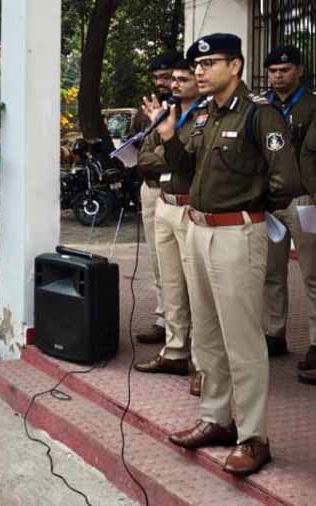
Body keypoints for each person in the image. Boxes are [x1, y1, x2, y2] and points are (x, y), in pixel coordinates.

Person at [152, 33, 301, 476]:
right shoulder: (205, 115)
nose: (199, 71)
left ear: (234, 66)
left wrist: (251, 208)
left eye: (209, 63)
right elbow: (186, 170)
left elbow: (286, 180)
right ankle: (216, 418)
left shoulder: (259, 114)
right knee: (207, 334)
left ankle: (254, 437)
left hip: (237, 233)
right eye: (196, 65)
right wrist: (169, 138)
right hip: (198, 230)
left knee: (243, 339)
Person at [134, 59, 203, 396]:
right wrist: (167, 147)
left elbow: (192, 160)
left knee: (198, 288)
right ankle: (175, 352)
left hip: (191, 207)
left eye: (183, 79)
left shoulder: (206, 116)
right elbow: (144, 158)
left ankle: (204, 365)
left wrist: (167, 146)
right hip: (165, 203)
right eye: (173, 79)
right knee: (172, 283)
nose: (175, 84)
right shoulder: (165, 112)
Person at [261, 45, 316, 366]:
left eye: (284, 70)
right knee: (271, 273)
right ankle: (274, 333)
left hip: (304, 200)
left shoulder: (312, 104)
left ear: (299, 71)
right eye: (273, 71)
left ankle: (315, 342)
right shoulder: (260, 106)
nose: (278, 76)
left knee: (313, 273)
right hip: (269, 202)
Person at [134, 51, 182, 345]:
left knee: (180, 264)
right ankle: (163, 318)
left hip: (178, 189)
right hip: (150, 187)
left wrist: (159, 156)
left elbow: (178, 156)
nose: (162, 82)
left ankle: (181, 326)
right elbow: (140, 152)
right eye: (157, 78)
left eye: (166, 77)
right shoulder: (146, 109)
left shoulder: (185, 107)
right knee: (157, 260)